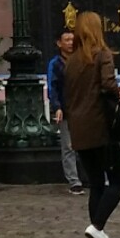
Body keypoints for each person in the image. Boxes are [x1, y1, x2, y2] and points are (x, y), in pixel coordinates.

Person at [61, 10, 120, 238]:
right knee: (117, 181)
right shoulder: (102, 54)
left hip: (79, 129)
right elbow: (108, 84)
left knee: (96, 183)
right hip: (100, 127)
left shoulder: (72, 61)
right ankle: (98, 227)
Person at [47, 27, 85, 190]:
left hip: (83, 108)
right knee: (68, 145)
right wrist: (57, 107)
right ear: (59, 43)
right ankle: (74, 180)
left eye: (72, 40)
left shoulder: (82, 60)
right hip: (66, 109)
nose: (70, 43)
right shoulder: (55, 64)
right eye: (67, 40)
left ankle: (88, 176)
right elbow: (53, 87)